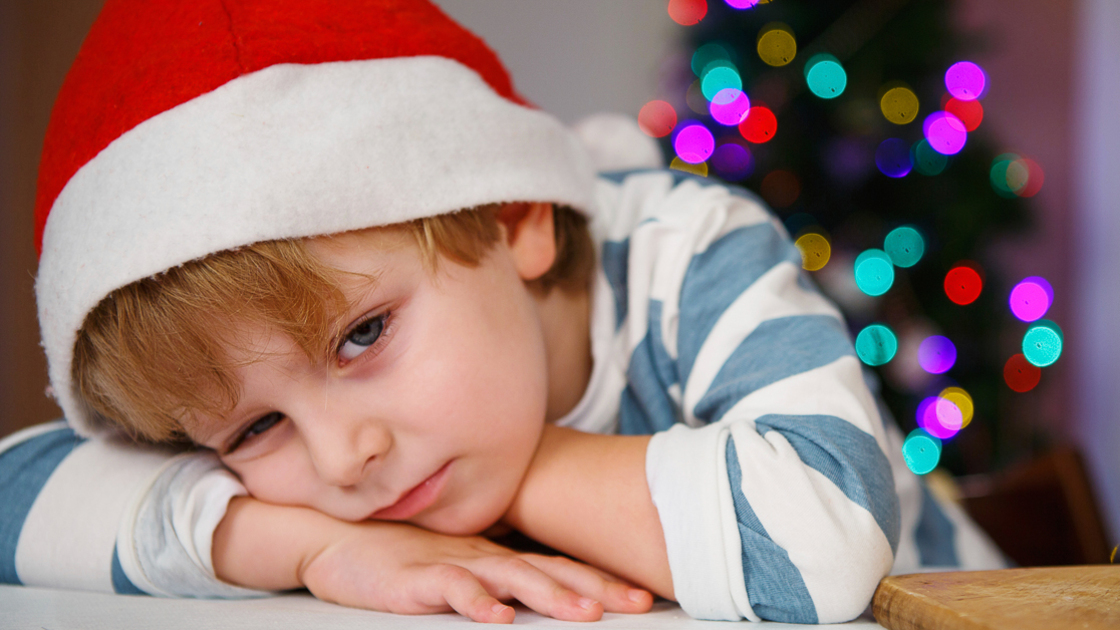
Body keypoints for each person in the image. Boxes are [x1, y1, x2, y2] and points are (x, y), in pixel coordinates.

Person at [0, 0, 1007, 624]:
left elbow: (826, 537)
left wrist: (527, 474)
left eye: (363, 335)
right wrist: (311, 547)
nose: (344, 456)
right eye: (256, 425)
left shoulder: (683, 251)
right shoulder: (352, 470)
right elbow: (14, 497)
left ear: (514, 218)